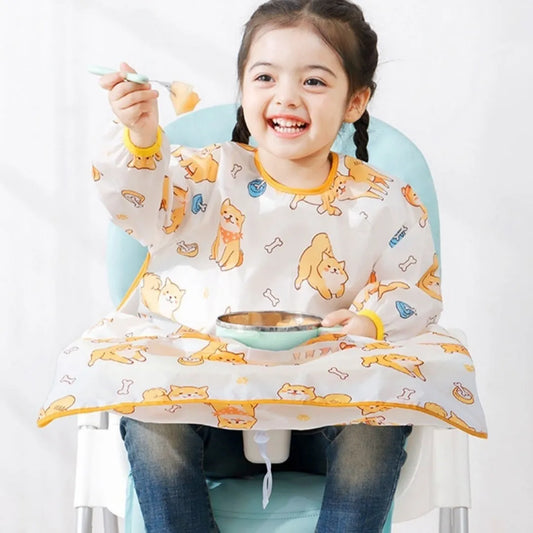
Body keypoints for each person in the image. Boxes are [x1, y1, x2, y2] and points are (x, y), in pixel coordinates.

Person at [93, 1, 442, 531]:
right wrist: (142, 138)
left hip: (327, 414)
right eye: (264, 76)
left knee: (379, 422)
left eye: (315, 82)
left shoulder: (385, 201)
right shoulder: (202, 174)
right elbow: (136, 207)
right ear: (242, 88)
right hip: (203, 409)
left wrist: (371, 321)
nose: (286, 96)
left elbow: (414, 289)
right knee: (150, 421)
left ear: (356, 101)